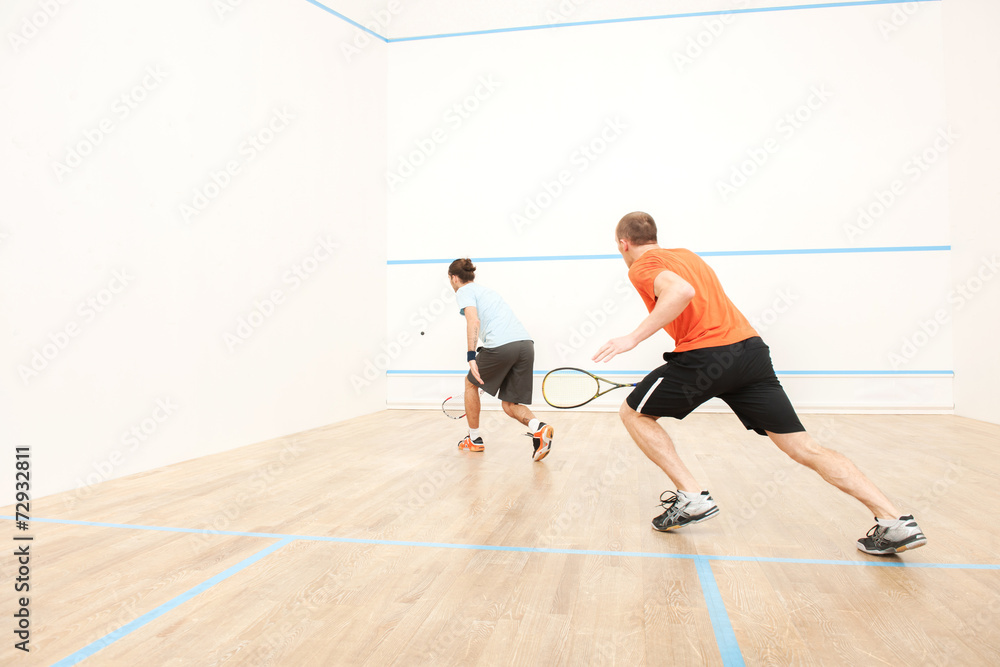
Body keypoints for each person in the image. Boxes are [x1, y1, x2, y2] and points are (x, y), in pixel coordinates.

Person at [593, 212, 926, 556]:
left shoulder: (641, 266)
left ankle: (691, 496)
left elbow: (681, 291)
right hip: (750, 354)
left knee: (633, 414)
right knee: (804, 448)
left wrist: (632, 338)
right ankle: (894, 520)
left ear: (623, 243)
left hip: (706, 356)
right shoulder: (687, 255)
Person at [448, 258, 553, 462]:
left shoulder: (463, 291)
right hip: (525, 345)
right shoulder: (488, 291)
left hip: (502, 346)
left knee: (470, 384)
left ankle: (475, 439)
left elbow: (473, 320)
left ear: (454, 278)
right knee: (509, 404)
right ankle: (539, 428)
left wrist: (471, 356)